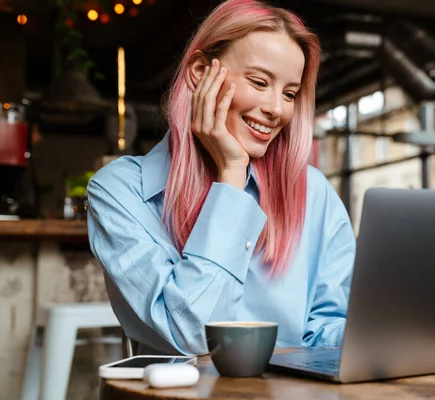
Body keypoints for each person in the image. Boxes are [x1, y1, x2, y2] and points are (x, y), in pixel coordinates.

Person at [87, 0, 355, 356]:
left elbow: (325, 331)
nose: (276, 108)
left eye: (289, 93)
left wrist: (394, 331)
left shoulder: (313, 191)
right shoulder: (120, 191)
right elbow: (192, 337)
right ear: (200, 71)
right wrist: (231, 175)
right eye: (259, 82)